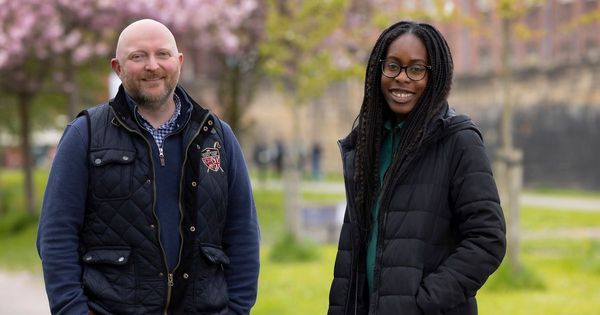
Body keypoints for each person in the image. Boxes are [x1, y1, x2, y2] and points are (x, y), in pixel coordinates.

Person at [37, 19, 260, 315]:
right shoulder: (84, 135)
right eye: (138, 56)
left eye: (162, 54)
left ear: (178, 61)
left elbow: (243, 234)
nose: (152, 66)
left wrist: (236, 310)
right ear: (118, 67)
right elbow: (56, 236)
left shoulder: (218, 137)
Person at [328, 21, 506, 315]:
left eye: (416, 69)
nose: (402, 78)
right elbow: (355, 248)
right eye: (393, 66)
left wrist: (422, 303)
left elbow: (488, 240)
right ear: (378, 70)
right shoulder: (368, 142)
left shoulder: (458, 139)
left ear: (434, 76)